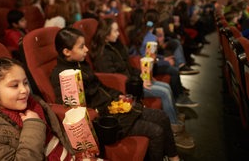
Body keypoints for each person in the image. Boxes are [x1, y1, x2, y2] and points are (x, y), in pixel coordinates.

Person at [50, 27, 185, 161]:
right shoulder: (61, 77)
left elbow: (100, 87)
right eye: (81, 47)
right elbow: (72, 111)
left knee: (161, 116)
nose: (86, 49)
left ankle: (174, 157)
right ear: (67, 51)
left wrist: (118, 96)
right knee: (156, 131)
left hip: (112, 107)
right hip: (103, 119)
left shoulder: (80, 63)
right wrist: (109, 107)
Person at [90, 18, 194, 149]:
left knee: (166, 86)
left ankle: (175, 119)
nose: (118, 34)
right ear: (105, 34)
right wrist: (141, 81)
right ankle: (175, 131)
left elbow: (128, 67)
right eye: (115, 31)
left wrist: (144, 75)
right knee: (164, 91)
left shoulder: (115, 46)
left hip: (134, 80)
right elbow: (116, 78)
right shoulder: (103, 54)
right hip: (129, 87)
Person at [129, 9, 199, 108]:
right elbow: (150, 60)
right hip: (145, 69)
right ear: (157, 22)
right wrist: (164, 61)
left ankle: (178, 90)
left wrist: (163, 58)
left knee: (170, 61)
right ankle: (179, 97)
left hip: (139, 64)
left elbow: (147, 55)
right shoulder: (152, 38)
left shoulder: (139, 31)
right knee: (173, 69)